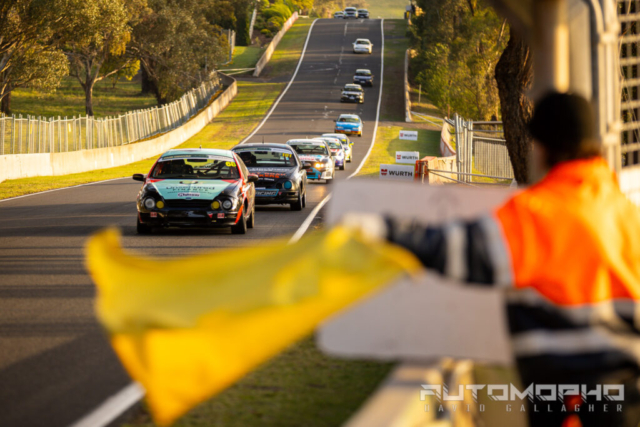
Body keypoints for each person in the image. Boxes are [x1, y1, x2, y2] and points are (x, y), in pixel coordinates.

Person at [346, 92, 640, 427]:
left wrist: (383, 230)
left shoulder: (538, 214)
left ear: (542, 147)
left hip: (572, 405)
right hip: (627, 401)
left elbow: (460, 249)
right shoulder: (627, 214)